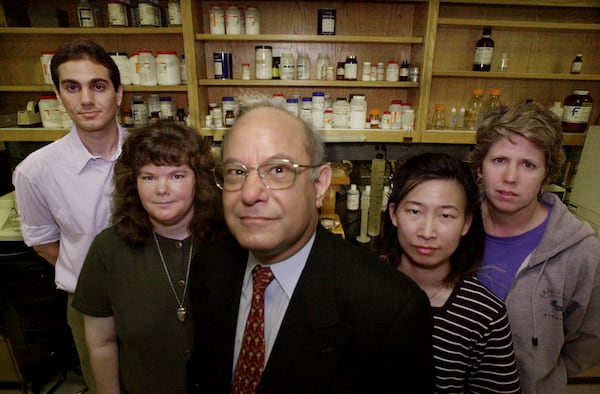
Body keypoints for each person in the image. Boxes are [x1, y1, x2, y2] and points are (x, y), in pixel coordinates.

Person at [187, 93, 434, 393]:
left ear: (319, 185)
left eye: (278, 170)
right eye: (236, 172)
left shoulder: (388, 308)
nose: (250, 193)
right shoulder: (210, 266)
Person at [72, 122, 224, 394]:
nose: (161, 189)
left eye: (177, 176)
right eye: (148, 177)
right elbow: (101, 343)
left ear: (198, 179)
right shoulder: (109, 249)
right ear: (133, 183)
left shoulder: (228, 240)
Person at [13, 38, 125, 393]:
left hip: (159, 299)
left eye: (99, 85)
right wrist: (95, 282)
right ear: (58, 96)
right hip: (89, 306)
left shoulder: (152, 154)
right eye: (72, 87)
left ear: (118, 93)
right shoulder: (36, 171)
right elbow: (44, 243)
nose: (87, 99)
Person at [469, 102, 600, 393]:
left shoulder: (580, 251)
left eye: (528, 164)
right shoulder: (454, 229)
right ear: (480, 167)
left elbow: (590, 340)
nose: (510, 177)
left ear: (547, 175)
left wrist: (539, 374)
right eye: (500, 160)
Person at [380, 152, 521, 393]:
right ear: (394, 214)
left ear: (466, 223)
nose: (427, 231)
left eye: (446, 215)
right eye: (415, 211)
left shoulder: (485, 315)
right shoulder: (359, 287)